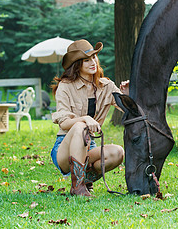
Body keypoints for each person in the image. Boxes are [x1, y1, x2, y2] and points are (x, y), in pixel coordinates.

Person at [50, 39, 128, 196]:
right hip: (64, 148)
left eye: (94, 57)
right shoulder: (65, 86)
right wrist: (85, 118)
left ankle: (85, 180)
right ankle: (77, 187)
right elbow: (65, 123)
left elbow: (129, 109)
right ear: (77, 65)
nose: (93, 62)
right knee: (80, 126)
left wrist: (127, 94)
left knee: (118, 152)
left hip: (89, 146)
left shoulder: (106, 85)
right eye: (86, 60)